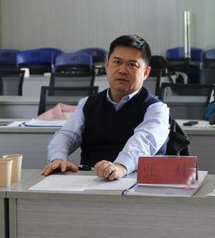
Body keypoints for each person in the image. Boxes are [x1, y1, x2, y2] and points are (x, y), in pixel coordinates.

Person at [42, 34, 170, 181]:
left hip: (136, 183)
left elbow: (144, 141)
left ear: (146, 72)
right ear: (107, 64)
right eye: (117, 62)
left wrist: (120, 166)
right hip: (90, 181)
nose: (122, 70)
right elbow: (66, 135)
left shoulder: (156, 109)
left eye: (132, 65)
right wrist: (58, 158)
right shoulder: (87, 104)